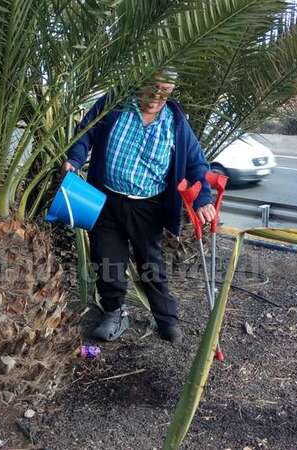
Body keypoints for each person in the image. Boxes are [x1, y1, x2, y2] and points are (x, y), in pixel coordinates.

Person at [63, 72, 215, 344]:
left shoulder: (176, 122)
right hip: (106, 200)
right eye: (154, 87)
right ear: (141, 81)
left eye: (165, 90)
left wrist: (203, 198)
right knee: (108, 259)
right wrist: (75, 158)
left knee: (151, 265)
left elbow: (196, 163)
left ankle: (166, 319)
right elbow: (87, 131)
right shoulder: (114, 104)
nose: (157, 96)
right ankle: (113, 313)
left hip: (148, 207)